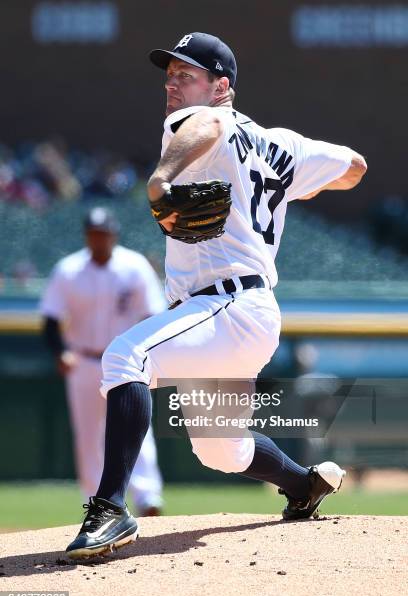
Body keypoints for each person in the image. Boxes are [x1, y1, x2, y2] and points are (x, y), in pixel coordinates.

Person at [66, 32, 367, 559]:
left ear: (221, 85)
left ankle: (109, 508)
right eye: (169, 77)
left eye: (186, 76)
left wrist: (161, 177)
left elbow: (211, 122)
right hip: (239, 316)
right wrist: (298, 180)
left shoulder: (204, 118)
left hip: (225, 306)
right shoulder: (281, 144)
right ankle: (303, 485)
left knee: (125, 357)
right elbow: (356, 166)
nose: (173, 86)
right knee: (219, 449)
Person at [41, 207, 164, 516]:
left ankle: (148, 499)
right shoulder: (68, 270)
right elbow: (51, 318)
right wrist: (59, 352)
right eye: (94, 233)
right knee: (88, 436)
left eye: (104, 233)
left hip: (126, 361)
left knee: (137, 427)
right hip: (83, 359)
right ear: (87, 236)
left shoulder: (134, 266)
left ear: (113, 235)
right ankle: (97, 504)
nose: (99, 239)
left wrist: (151, 356)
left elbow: (153, 314)